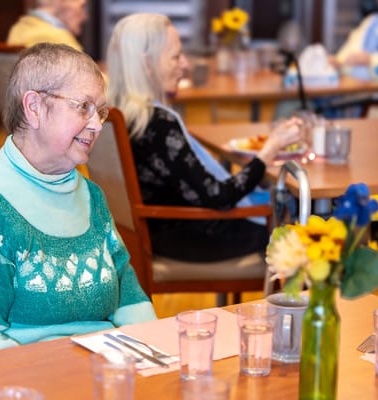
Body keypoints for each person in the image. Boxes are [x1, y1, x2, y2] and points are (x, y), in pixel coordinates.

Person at [0, 43, 157, 358]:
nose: (97, 124)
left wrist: (153, 357)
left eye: (101, 111)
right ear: (34, 107)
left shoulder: (92, 197)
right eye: (83, 106)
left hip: (106, 375)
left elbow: (129, 299)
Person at [106, 13, 303, 263]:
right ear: (147, 64)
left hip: (153, 234)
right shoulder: (157, 125)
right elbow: (219, 197)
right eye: (176, 57)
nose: (185, 65)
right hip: (187, 236)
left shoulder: (119, 115)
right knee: (300, 229)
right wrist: (269, 150)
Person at [7, 0, 87, 51]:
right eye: (82, 7)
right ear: (61, 3)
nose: (85, 17)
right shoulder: (57, 38)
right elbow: (88, 76)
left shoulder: (17, 29)